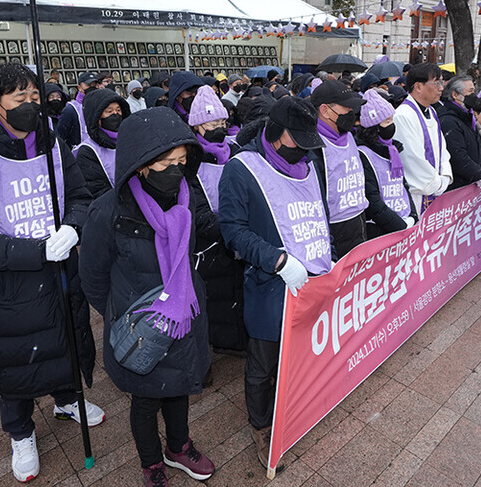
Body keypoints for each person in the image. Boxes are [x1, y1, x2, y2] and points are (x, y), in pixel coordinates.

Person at [0, 64, 103, 483]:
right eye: (20, 99)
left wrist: (74, 227)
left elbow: (81, 196)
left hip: (62, 271)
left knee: (68, 336)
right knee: (17, 358)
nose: (31, 106)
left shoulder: (53, 145)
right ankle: (20, 431)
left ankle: (68, 398)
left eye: (36, 97)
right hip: (9, 283)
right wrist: (35, 251)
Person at [81, 108, 217, 487]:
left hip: (184, 316)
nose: (175, 170)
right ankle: (152, 463)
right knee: (145, 400)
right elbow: (92, 277)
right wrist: (122, 314)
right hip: (142, 325)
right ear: (140, 166)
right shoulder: (107, 212)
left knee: (180, 387)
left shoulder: (187, 198)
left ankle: (178, 446)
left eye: (181, 161)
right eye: (164, 163)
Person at [219, 97, 331, 470]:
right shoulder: (241, 169)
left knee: (302, 354)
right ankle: (261, 427)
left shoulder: (309, 161)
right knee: (262, 364)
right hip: (271, 286)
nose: (302, 151)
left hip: (314, 280)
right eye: (296, 142)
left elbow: (320, 210)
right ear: (277, 133)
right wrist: (277, 260)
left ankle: (295, 410)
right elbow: (232, 231)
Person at [185, 85, 248, 353]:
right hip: (211, 242)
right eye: (213, 123)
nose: (220, 128)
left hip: (241, 235)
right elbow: (195, 212)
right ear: (198, 127)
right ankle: (218, 341)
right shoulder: (189, 161)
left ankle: (237, 339)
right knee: (217, 294)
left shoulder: (236, 150)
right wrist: (230, 227)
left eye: (223, 121)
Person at [309, 80, 368, 257]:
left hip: (358, 222)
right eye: (346, 109)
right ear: (325, 110)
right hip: (333, 230)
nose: (352, 114)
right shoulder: (313, 145)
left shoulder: (348, 136)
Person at [355, 89, 417, 238]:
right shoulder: (363, 154)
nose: (392, 125)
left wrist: (413, 216)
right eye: (387, 121)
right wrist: (399, 226)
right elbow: (372, 200)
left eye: (392, 120)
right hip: (380, 231)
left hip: (403, 220)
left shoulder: (392, 150)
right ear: (374, 127)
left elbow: (403, 185)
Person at [394, 63, 453, 216]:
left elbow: (442, 148)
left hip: (437, 187)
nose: (441, 88)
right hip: (417, 194)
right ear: (418, 87)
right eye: (437, 83)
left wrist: (445, 175)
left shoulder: (431, 111)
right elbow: (412, 159)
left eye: (442, 82)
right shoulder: (403, 115)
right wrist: (437, 183)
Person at [75, 87, 130, 205]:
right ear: (97, 117)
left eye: (118, 110)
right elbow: (96, 191)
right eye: (109, 112)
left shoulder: (129, 140)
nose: (115, 114)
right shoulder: (88, 151)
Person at [439, 77, 481, 190]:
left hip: (472, 183)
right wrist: (479, 174)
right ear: (455, 95)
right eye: (470, 91)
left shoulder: (467, 116)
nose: (474, 95)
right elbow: (457, 156)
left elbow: (479, 146)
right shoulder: (449, 120)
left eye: (474, 91)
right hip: (458, 187)